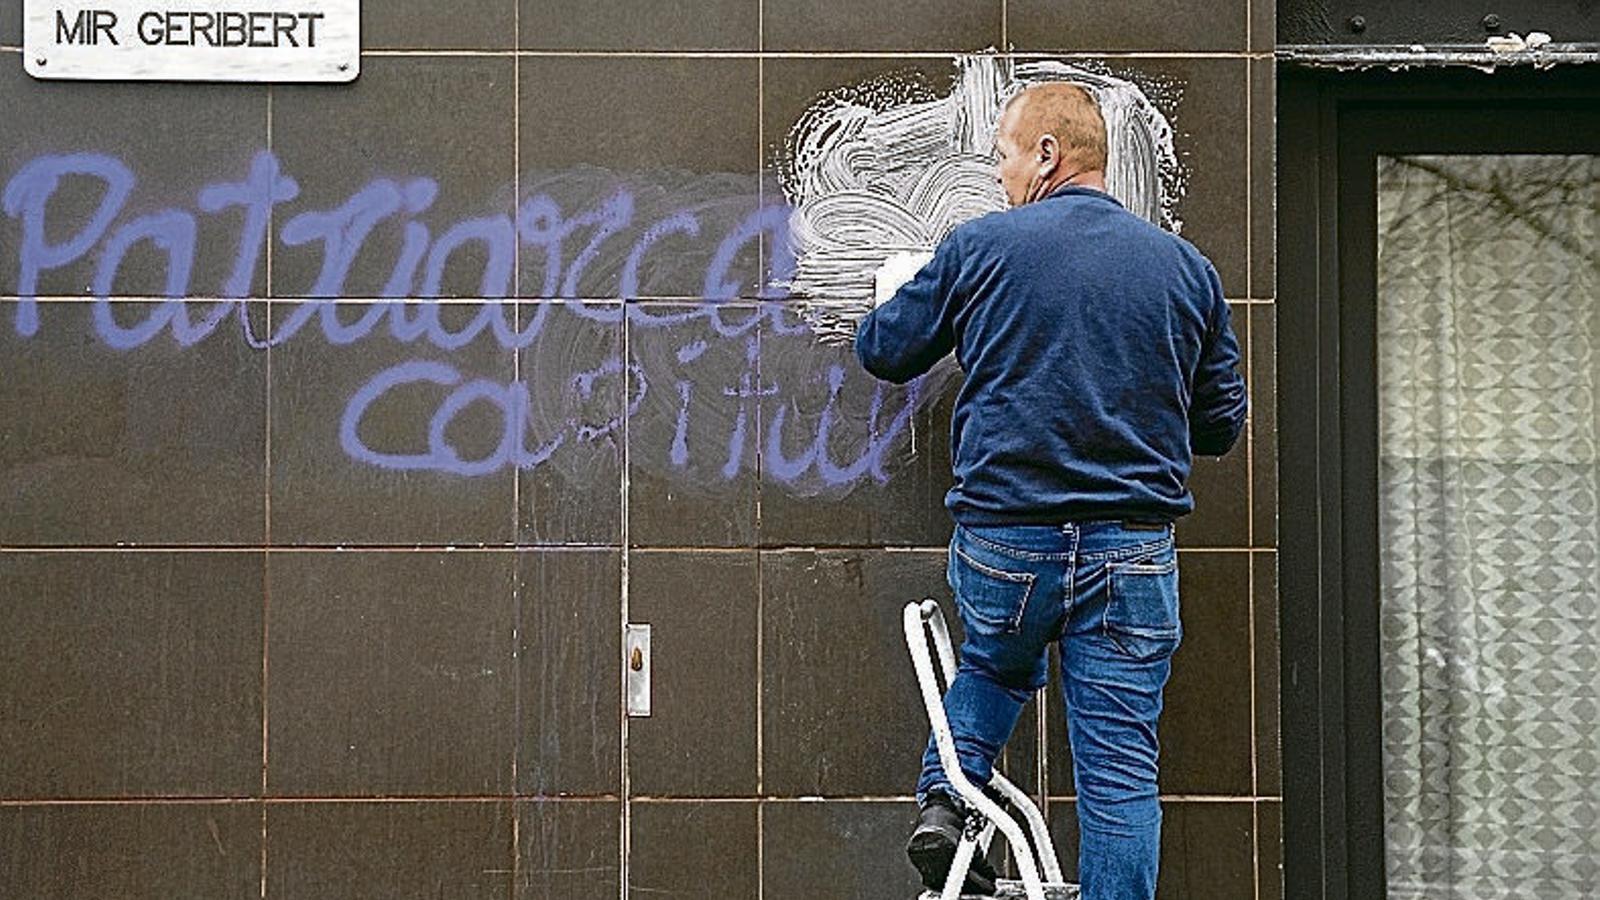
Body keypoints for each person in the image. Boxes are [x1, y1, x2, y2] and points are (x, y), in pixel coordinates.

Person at [854, 82, 1247, 899]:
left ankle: (945, 801)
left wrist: (902, 287)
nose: (999, 173)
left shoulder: (980, 248)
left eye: (1002, 153)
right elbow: (1218, 427)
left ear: (1046, 153)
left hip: (1008, 538)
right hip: (1133, 549)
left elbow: (886, 352)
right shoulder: (1187, 270)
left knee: (994, 669)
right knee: (1119, 774)